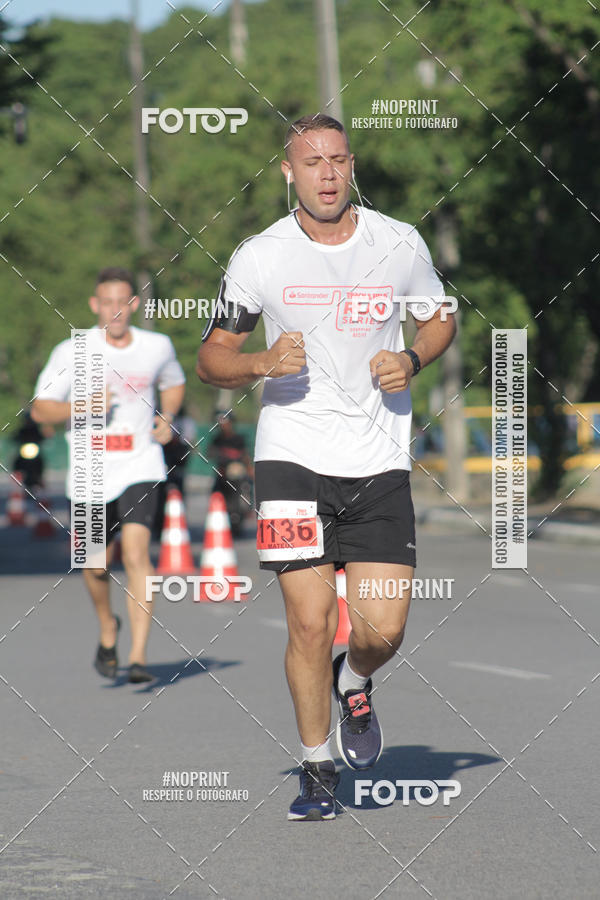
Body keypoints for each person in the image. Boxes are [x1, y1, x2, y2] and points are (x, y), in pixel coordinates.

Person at [196, 114, 456, 820]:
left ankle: (356, 681)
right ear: (289, 172)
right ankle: (316, 772)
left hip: (377, 461)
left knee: (382, 631)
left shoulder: (398, 242)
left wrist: (412, 358)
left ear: (352, 164)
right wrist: (257, 361)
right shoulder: (261, 256)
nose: (327, 174)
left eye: (337, 160)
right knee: (309, 623)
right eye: (312, 162)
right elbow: (212, 354)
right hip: (291, 462)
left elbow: (439, 317)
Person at [31, 267, 185, 683]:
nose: (116, 310)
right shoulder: (72, 352)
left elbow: (174, 383)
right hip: (90, 471)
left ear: (134, 304)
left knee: (136, 554)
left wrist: (167, 417)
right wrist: (83, 405)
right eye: (107, 302)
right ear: (95, 306)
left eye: (124, 301)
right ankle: (107, 625)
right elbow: (40, 409)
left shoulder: (157, 346)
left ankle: (137, 657)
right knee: (96, 566)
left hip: (141, 464)